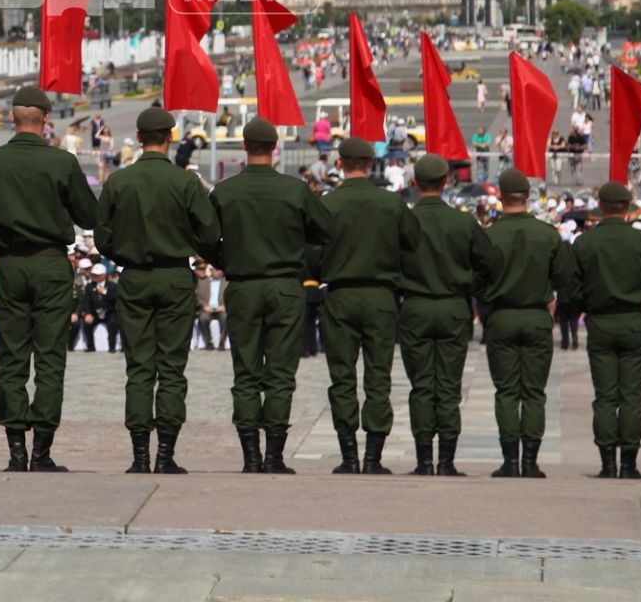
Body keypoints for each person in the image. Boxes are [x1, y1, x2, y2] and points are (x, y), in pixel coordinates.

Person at [0, 85, 98, 473]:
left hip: (11, 265)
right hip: (51, 264)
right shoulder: (62, 163)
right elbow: (90, 217)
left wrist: (1, 241)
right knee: (51, 358)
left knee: (13, 357)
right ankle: (41, 452)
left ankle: (16, 451)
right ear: (47, 118)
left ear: (12, 118)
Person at [95, 106, 221, 476]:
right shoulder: (185, 183)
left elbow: (102, 237)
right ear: (170, 138)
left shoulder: (119, 182)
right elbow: (210, 233)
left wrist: (125, 254)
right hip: (174, 278)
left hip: (134, 277)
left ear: (138, 138)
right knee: (171, 368)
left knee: (138, 368)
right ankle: (165, 455)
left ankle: (139, 457)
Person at [209, 117, 334, 475]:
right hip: (284, 286)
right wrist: (299, 255)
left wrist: (227, 259)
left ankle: (250, 457)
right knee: (280, 373)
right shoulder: (295, 190)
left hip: (244, 285)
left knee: (246, 372)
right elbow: (325, 229)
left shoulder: (225, 190)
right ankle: (275, 457)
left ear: (244, 147)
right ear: (275, 146)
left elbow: (203, 236)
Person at [313, 137, 418, 475]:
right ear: (372, 164)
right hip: (380, 297)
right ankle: (373, 458)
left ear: (340, 163)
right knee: (378, 377)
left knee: (341, 377)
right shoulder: (391, 203)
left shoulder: (327, 204)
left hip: (340, 295)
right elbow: (413, 243)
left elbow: (311, 253)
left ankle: (349, 457)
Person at [398, 153, 495, 476]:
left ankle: (424, 460)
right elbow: (489, 263)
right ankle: (447, 461)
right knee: (450, 385)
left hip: (415, 306)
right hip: (454, 306)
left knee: (422, 385)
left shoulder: (405, 221)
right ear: (446, 182)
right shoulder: (463, 221)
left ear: (414, 183)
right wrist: (470, 286)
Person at [572, 181, 641, 479]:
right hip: (634, 321)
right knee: (631, 395)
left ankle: (607, 463)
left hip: (601, 320)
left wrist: (590, 301)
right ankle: (628, 463)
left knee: (605, 396)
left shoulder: (585, 243)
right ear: (628, 207)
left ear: (600, 207)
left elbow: (572, 287)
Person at [482, 169, 574, 479]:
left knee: (507, 391)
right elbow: (564, 279)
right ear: (527, 197)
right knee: (534, 392)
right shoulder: (548, 235)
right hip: (537, 316)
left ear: (500, 195)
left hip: (502, 316)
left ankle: (510, 461)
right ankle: (531, 462)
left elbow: (476, 281)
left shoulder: (490, 235)